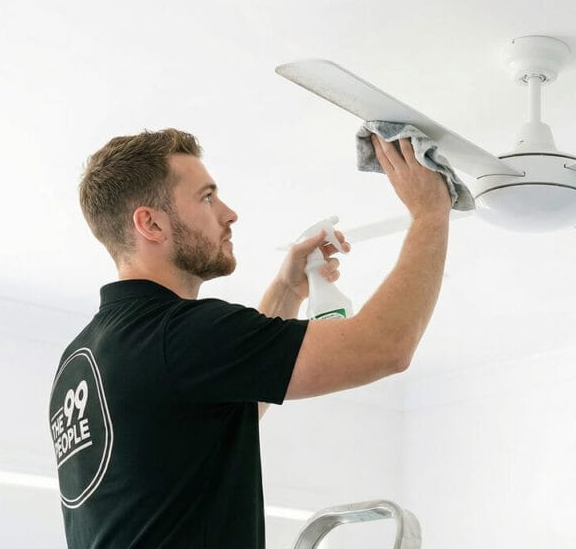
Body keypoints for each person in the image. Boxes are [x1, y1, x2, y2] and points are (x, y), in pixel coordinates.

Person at [48, 128, 451, 549]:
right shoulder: (181, 333)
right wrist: (430, 214)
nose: (229, 214)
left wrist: (287, 290)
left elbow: (214, 415)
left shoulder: (84, 356)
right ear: (151, 223)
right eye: (207, 198)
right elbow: (383, 346)